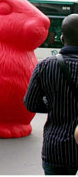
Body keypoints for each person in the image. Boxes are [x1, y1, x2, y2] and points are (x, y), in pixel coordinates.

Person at [24, 13, 78, 175]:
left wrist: (53, 103)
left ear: (62, 38)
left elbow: (30, 104)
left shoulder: (46, 66)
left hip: (57, 149)